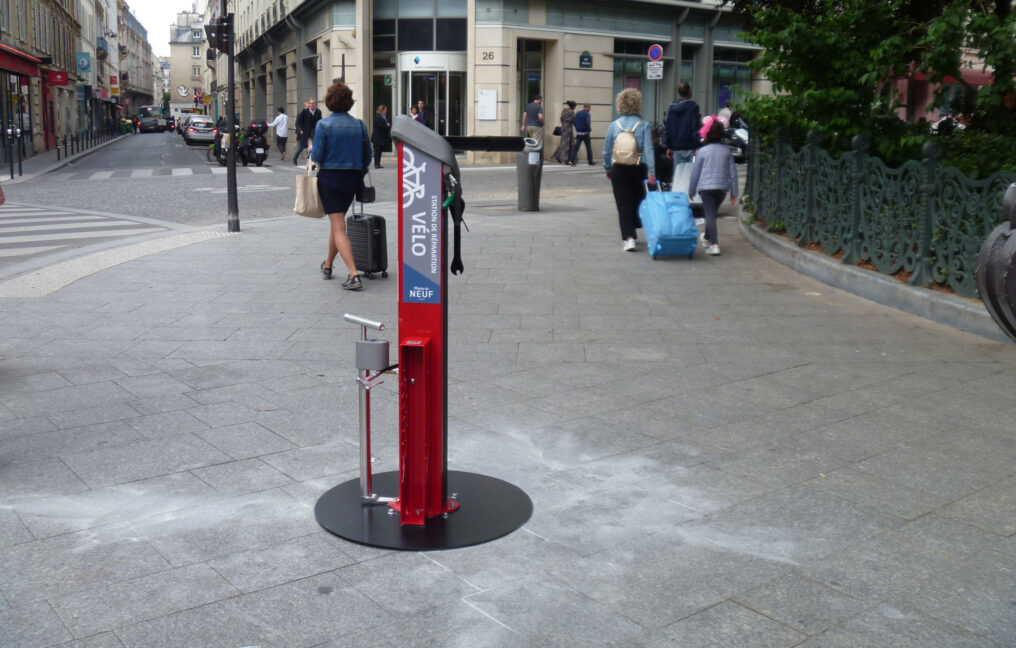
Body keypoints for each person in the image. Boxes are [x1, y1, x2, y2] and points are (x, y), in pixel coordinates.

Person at [312, 81, 371, 291]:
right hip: (352, 180)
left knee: (338, 226)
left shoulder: (323, 125)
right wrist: (358, 172)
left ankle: (354, 275)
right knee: (337, 224)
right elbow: (368, 157)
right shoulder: (360, 125)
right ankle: (328, 265)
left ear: (330, 101)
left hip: (330, 179)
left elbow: (316, 156)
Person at [603, 88, 655, 252]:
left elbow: (606, 151)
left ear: (620, 104)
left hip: (619, 168)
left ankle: (629, 238)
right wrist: (652, 172)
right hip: (638, 168)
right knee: (637, 201)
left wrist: (608, 168)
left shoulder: (614, 126)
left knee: (623, 203)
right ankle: (636, 230)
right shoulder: (644, 125)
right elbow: (648, 150)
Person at [688, 115, 738, 257]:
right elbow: (733, 173)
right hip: (722, 188)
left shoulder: (703, 151)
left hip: (706, 188)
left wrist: (691, 190)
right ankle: (706, 237)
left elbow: (695, 173)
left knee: (710, 215)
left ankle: (715, 244)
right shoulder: (727, 151)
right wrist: (734, 192)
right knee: (711, 213)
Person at [664, 82, 701, 170]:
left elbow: (668, 128)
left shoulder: (672, 107)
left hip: (676, 147)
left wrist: (669, 146)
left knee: (678, 175)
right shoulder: (693, 107)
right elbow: (695, 127)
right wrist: (698, 146)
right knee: (690, 176)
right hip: (690, 146)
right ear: (689, 91)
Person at [293, 98, 322, 165]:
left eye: (313, 103)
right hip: (306, 134)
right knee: (306, 147)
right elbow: (298, 123)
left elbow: (320, 121)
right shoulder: (303, 113)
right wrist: (300, 130)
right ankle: (310, 163)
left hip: (315, 133)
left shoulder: (318, 112)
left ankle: (309, 163)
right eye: (310, 103)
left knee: (312, 147)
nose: (311, 105)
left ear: (315, 104)